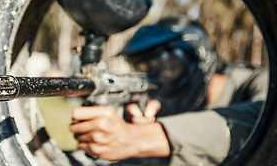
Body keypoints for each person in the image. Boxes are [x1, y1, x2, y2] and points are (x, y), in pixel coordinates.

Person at [69, 15, 268, 165]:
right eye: (141, 67)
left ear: (197, 56)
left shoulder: (257, 81)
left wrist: (141, 138)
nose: (152, 75)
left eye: (160, 64)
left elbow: (265, 121)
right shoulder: (153, 103)